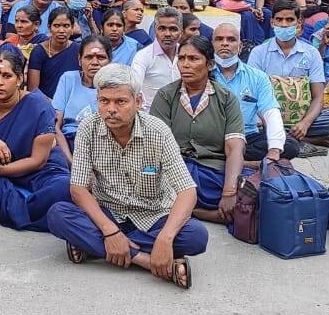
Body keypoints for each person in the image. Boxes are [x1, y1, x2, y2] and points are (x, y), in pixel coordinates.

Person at [45, 63, 204, 287]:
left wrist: (166, 237)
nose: (111, 109)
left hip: (154, 215)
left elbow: (187, 191)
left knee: (197, 236)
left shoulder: (157, 131)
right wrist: (110, 232)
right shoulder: (88, 128)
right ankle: (146, 260)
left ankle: (96, 247)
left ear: (138, 102)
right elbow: (78, 188)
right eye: (104, 101)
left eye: (120, 101)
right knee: (58, 214)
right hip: (108, 214)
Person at [0, 47, 71, 231]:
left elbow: (38, 161)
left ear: (20, 79)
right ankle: (37, 213)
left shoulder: (39, 106)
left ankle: (17, 210)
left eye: (7, 76)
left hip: (39, 171)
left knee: (64, 187)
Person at [150, 36, 246, 223]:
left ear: (209, 64)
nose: (185, 64)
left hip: (212, 172)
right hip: (175, 171)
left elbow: (234, 148)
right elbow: (156, 146)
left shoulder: (226, 99)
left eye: (193, 59)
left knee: (248, 198)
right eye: (182, 58)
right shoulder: (166, 96)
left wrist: (229, 191)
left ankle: (185, 209)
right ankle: (197, 212)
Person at [248, 0, 329, 153]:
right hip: (267, 117)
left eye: (289, 20)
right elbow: (252, 94)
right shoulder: (259, 53)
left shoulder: (311, 53)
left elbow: (318, 97)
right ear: (272, 22)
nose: (284, 24)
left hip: (300, 117)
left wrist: (305, 123)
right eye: (279, 20)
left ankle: (286, 136)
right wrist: (265, 119)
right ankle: (305, 139)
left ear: (298, 23)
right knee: (248, 120)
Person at [211, 22, 299, 161]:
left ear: (240, 46)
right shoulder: (204, 74)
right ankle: (237, 159)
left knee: (290, 146)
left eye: (231, 39)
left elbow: (271, 112)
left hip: (248, 137)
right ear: (212, 45)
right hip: (213, 137)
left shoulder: (257, 77)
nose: (225, 43)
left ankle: (229, 157)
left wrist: (274, 150)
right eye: (219, 39)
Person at [51, 35, 111, 158]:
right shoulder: (68, 79)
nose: (94, 63)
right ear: (79, 59)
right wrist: (71, 162)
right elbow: (55, 126)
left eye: (101, 57)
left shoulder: (116, 86)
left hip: (104, 145)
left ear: (110, 61)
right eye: (88, 57)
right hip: (70, 142)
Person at [130, 6, 183, 110]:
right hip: (151, 117)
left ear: (181, 32)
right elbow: (135, 90)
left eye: (173, 29)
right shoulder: (143, 56)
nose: (167, 34)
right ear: (155, 31)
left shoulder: (186, 55)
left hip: (180, 116)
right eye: (162, 28)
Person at [27, 8, 80, 98]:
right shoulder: (39, 52)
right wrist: (55, 105)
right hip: (46, 105)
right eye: (56, 26)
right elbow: (33, 90)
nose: (61, 30)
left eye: (66, 26)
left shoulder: (78, 50)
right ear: (49, 28)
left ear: (72, 28)